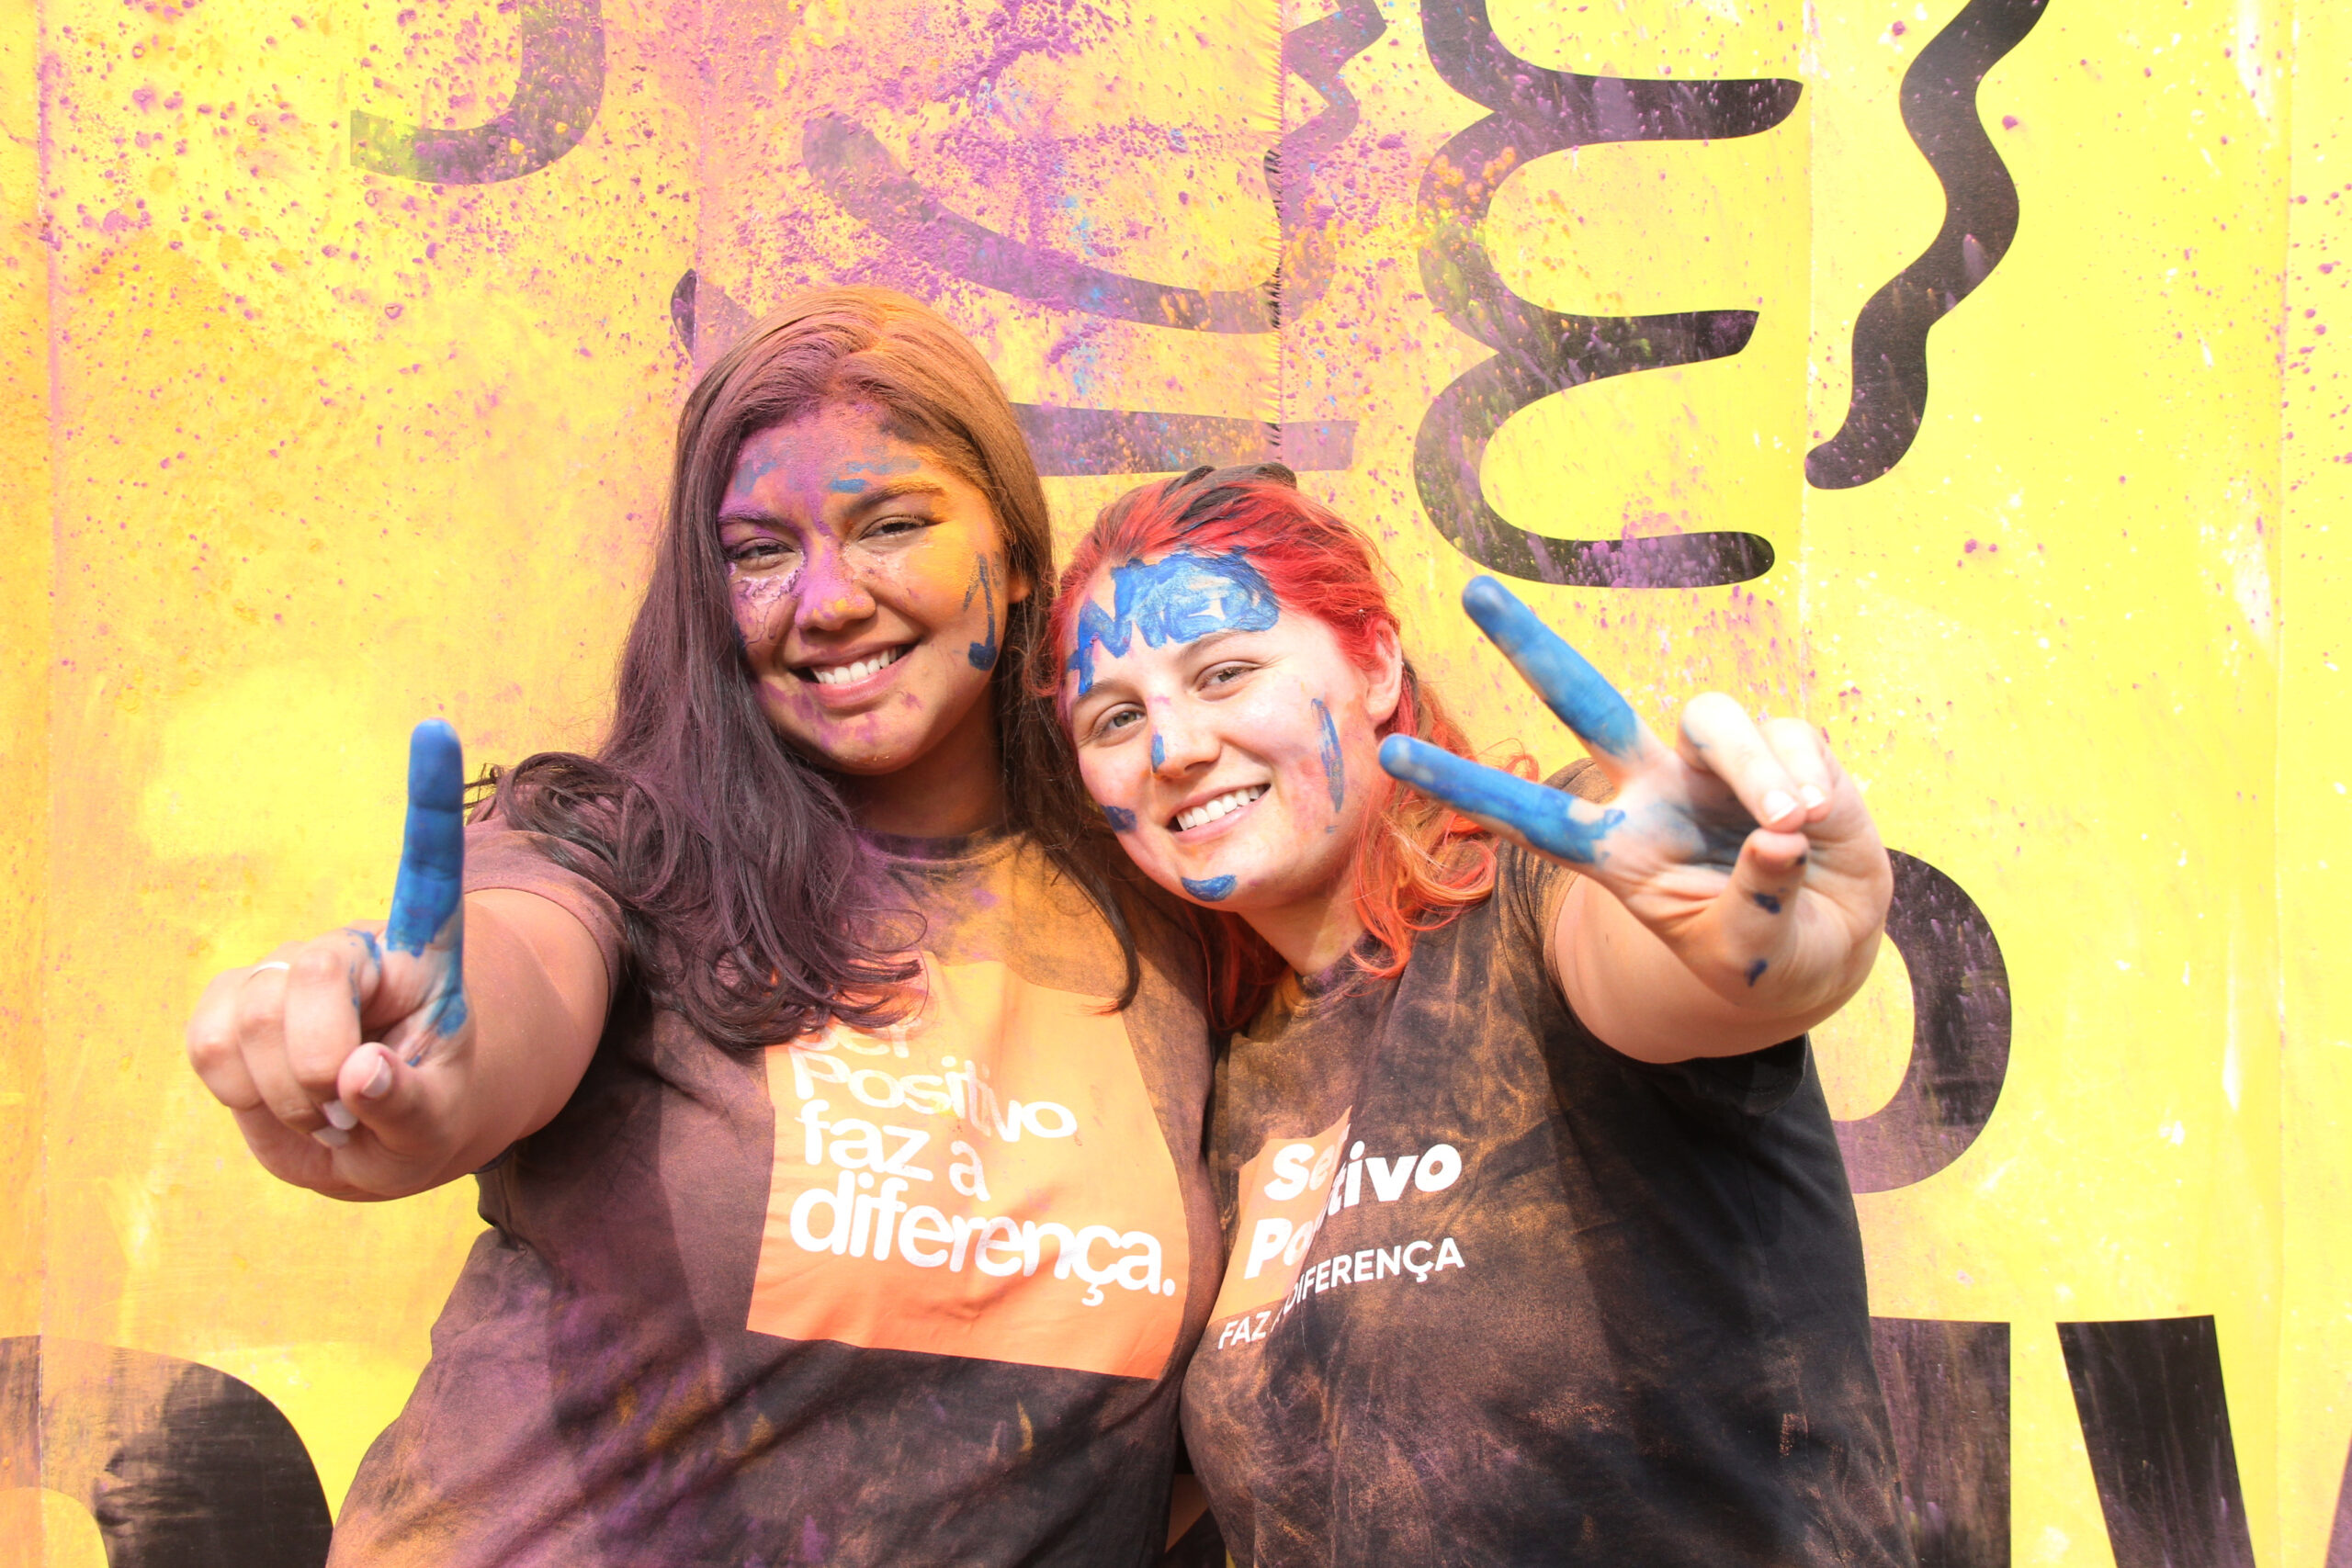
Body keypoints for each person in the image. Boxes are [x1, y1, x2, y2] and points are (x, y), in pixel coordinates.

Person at [184, 288, 1225, 1566]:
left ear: (1012, 553)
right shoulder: (623, 851)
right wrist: (410, 1052)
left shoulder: (1169, 902)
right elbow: (510, 976)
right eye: (758, 552)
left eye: (892, 524)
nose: (829, 598)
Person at [1047, 464, 1914, 1567]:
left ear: (1372, 663)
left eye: (1224, 673)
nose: (1171, 749)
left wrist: (1760, 955)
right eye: (1115, 717)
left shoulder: (1537, 906)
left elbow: (1667, 969)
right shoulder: (1222, 1082)